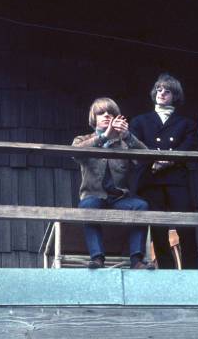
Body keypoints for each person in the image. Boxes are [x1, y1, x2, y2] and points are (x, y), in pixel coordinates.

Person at [72, 97, 154, 270]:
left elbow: (147, 158)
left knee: (141, 206)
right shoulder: (82, 139)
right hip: (93, 195)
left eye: (111, 113)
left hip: (119, 198)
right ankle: (97, 258)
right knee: (87, 207)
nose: (107, 115)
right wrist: (103, 137)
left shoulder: (125, 143)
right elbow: (76, 154)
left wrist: (128, 136)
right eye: (101, 113)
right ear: (93, 118)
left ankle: (137, 260)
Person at [130, 73, 198, 269]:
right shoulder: (140, 121)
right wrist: (154, 160)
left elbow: (190, 145)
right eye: (159, 90)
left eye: (167, 91)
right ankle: (166, 270)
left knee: (186, 223)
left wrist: (169, 159)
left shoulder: (186, 123)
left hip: (177, 178)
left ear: (175, 96)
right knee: (158, 226)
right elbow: (135, 145)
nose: (161, 93)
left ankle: (192, 269)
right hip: (151, 178)